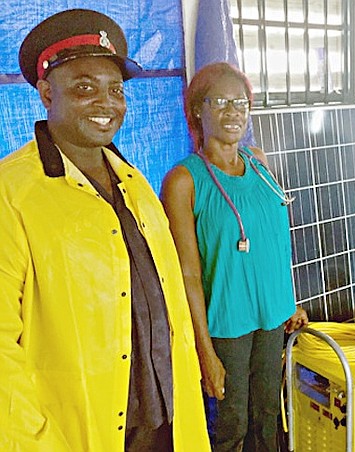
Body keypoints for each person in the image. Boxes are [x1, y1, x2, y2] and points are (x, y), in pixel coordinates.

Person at [0, 9, 210, 452]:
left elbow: (169, 306)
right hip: (79, 434)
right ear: (45, 93)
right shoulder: (11, 194)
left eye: (115, 90)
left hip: (168, 422)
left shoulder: (135, 185)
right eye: (83, 88)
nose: (107, 103)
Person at [161, 62, 309, 452]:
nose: (234, 112)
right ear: (197, 109)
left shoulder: (259, 162)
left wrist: (288, 302)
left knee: (268, 418)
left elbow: (274, 241)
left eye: (241, 102)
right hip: (226, 329)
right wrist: (204, 350)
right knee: (230, 427)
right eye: (221, 102)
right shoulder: (184, 180)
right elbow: (188, 275)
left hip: (273, 318)